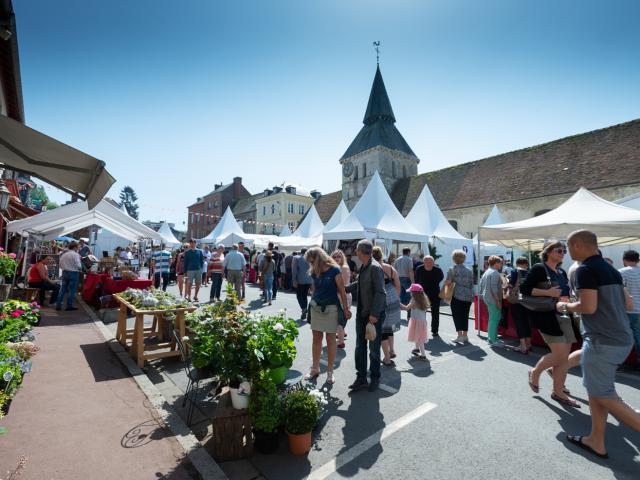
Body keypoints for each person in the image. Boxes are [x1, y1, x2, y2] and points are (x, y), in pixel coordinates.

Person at [557, 230, 640, 458]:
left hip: (603, 340)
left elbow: (588, 306)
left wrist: (564, 306)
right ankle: (596, 440)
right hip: (617, 337)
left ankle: (598, 438)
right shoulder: (610, 269)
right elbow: (626, 303)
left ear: (577, 245)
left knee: (602, 394)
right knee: (596, 391)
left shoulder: (586, 269)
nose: (567, 252)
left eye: (568, 246)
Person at [522, 241, 579, 408]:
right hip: (546, 315)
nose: (563, 253)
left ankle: (558, 390)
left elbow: (564, 292)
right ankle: (535, 372)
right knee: (560, 355)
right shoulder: (540, 268)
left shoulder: (561, 271)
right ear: (548, 252)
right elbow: (525, 290)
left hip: (564, 313)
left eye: (564, 251)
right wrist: (547, 292)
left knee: (564, 355)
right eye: (559, 250)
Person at [304, 247, 352, 384]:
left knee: (331, 339)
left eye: (312, 261)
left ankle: (330, 372)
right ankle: (315, 368)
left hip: (331, 308)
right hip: (316, 307)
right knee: (316, 339)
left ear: (319, 258)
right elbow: (315, 289)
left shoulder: (335, 270)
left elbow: (342, 292)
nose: (311, 264)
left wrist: (346, 309)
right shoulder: (314, 271)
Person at [345, 240, 386, 392]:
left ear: (361, 251)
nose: (355, 252)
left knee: (374, 349)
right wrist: (345, 288)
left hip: (372, 315)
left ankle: (375, 377)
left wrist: (374, 314)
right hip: (362, 313)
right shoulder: (365, 266)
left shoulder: (375, 267)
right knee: (359, 347)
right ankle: (361, 377)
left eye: (357, 249)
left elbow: (381, 293)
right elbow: (359, 284)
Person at [372, 247, 401, 366]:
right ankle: (392, 349)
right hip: (392, 296)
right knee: (390, 326)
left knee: (383, 329)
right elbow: (398, 285)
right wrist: (396, 297)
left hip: (380, 298)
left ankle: (387, 358)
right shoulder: (390, 268)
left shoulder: (373, 268)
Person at [446, 249, 474, 344]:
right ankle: (465, 335)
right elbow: (471, 284)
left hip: (456, 295)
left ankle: (459, 335)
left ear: (454, 259)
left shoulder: (452, 269)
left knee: (457, 315)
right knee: (465, 315)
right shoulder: (469, 271)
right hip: (468, 295)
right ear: (464, 259)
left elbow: (448, 282)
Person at [619, 249, 640, 370]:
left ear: (624, 260)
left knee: (625, 336)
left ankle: (622, 361)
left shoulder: (622, 272)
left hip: (629, 310)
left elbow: (619, 292)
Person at [507, 256, 532, 353]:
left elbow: (511, 285)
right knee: (527, 322)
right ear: (526, 263)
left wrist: (507, 283)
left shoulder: (514, 271)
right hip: (528, 300)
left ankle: (523, 346)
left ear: (517, 263)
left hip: (517, 300)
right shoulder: (530, 272)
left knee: (519, 322)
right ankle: (529, 344)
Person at [415, 255, 444, 337]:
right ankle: (421, 329)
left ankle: (435, 330)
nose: (428, 263)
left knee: (435, 313)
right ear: (423, 262)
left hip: (435, 294)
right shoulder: (419, 269)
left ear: (433, 262)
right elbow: (416, 280)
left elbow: (441, 278)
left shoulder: (438, 270)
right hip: (422, 294)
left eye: (430, 262)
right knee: (421, 312)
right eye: (426, 262)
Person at [479, 255, 505, 346]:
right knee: (494, 319)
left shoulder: (487, 272)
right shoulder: (495, 273)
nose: (501, 265)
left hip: (487, 298)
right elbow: (494, 288)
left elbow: (481, 285)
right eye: (501, 263)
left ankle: (493, 338)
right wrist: (498, 300)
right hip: (493, 299)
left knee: (492, 319)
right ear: (496, 263)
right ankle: (493, 340)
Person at [400, 284, 430, 360]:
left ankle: (423, 355)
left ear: (414, 293)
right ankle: (416, 348)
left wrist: (398, 302)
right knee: (418, 336)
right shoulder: (423, 299)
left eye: (411, 292)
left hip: (417, 322)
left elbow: (406, 308)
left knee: (420, 339)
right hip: (422, 322)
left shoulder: (414, 301)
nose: (410, 293)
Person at [331, 250, 352, 349]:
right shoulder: (345, 266)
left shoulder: (339, 268)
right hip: (346, 294)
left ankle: (340, 342)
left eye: (338, 256)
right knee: (343, 316)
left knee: (338, 319)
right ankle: (342, 333)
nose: (336, 258)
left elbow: (340, 285)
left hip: (341, 295)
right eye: (334, 257)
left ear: (342, 257)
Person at [56, 241, 82, 311]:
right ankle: (69, 305)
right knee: (72, 290)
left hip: (65, 272)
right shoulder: (75, 254)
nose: (78, 248)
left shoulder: (64, 254)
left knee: (62, 289)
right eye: (78, 247)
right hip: (73, 273)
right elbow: (78, 265)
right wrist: (80, 269)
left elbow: (60, 264)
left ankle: (58, 305)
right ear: (75, 247)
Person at [292, 248, 313, 318]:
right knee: (304, 295)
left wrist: (294, 280)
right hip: (309, 280)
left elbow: (294, 270)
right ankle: (304, 310)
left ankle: (304, 308)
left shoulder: (296, 258)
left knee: (299, 296)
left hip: (300, 280)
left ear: (301, 252)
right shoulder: (311, 259)